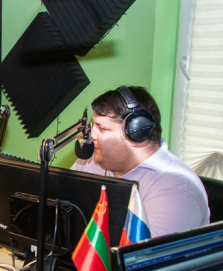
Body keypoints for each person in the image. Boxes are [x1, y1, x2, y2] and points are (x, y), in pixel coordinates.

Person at [72, 86, 209, 238]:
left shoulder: (176, 190)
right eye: (93, 125)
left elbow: (146, 252)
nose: (91, 135)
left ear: (137, 132)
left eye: (102, 128)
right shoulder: (89, 162)